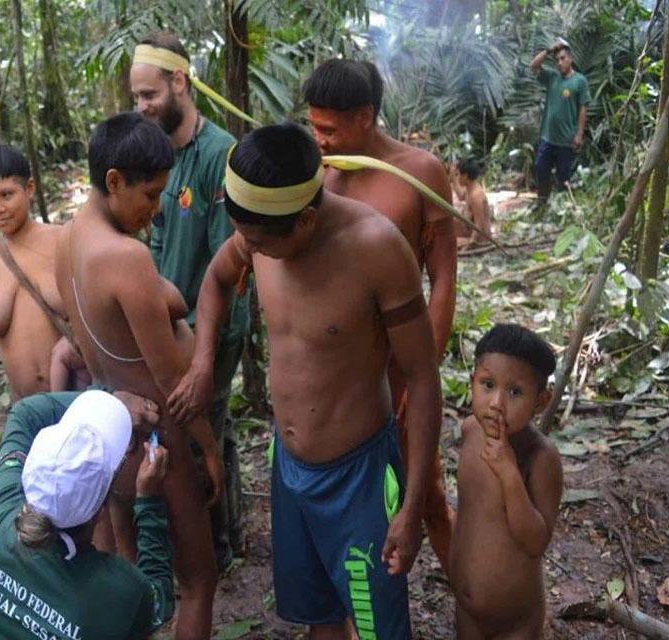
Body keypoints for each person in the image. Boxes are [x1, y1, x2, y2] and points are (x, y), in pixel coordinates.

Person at [169, 123, 442, 640]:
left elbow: (423, 379)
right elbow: (216, 281)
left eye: (257, 241)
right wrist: (203, 363)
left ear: (307, 220)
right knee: (319, 616)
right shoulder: (260, 234)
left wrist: (412, 507)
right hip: (289, 471)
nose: (246, 248)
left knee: (378, 625)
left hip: (359, 478)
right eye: (242, 236)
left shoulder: (377, 249)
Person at [55, 112, 224, 640]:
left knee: (131, 577)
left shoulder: (66, 243)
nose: (155, 213)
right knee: (197, 581)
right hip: (158, 440)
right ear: (113, 181)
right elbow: (173, 376)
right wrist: (208, 448)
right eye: (150, 196)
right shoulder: (125, 257)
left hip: (112, 432)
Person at [303, 58, 457, 573]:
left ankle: (476, 607)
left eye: (329, 128)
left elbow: (443, 280)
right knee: (350, 504)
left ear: (365, 116)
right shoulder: (317, 173)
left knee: (426, 493)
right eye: (313, 126)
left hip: (401, 366)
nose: (319, 139)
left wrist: (422, 375)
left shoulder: (419, 173)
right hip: (341, 378)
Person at [130, 31, 249, 570]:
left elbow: (232, 259)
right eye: (136, 97)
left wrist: (200, 343)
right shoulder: (158, 156)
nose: (142, 106)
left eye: (149, 94)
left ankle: (213, 551)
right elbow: (155, 239)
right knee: (213, 426)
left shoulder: (219, 152)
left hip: (211, 329)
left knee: (196, 422)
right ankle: (233, 530)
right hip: (172, 326)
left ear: (180, 81)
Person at [0, 389, 173, 639]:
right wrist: (149, 501)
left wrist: (113, 400)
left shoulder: (1, 516)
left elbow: (24, 414)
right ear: (99, 511)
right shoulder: (118, 591)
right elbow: (160, 599)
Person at [450, 324, 563, 639]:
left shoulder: (541, 458)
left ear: (541, 401)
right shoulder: (470, 431)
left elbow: (535, 542)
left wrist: (509, 472)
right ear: (472, 382)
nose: (496, 402)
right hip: (466, 611)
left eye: (514, 392)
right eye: (487, 384)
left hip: (515, 623)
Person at [0, 145, 68, 461]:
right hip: (25, 412)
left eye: (7, 194)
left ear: (30, 189)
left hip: (76, 399)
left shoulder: (63, 241)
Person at [529, 41, 591, 208]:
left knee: (563, 177)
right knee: (541, 169)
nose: (559, 62)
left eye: (563, 58)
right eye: (556, 60)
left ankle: (562, 208)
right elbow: (534, 66)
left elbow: (583, 109)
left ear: (570, 58)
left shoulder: (580, 81)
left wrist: (579, 134)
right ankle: (542, 203)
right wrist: (549, 50)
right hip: (547, 137)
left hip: (566, 139)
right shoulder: (552, 77)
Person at [451, 158, 492, 248]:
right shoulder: (470, 188)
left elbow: (479, 225)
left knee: (447, 243)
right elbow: (461, 196)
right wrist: (453, 178)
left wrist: (470, 244)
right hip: (467, 230)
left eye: (458, 175)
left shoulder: (476, 196)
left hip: (480, 238)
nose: (458, 178)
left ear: (465, 176)